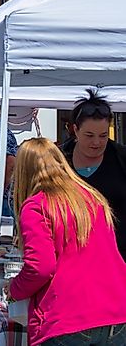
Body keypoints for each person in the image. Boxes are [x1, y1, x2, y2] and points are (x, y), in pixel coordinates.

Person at [8, 138, 126, 346]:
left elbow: (40, 267)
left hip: (67, 316)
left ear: (22, 172)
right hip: (115, 312)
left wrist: (15, 289)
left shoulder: (37, 206)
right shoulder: (92, 198)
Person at [60, 90, 126, 261]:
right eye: (89, 135)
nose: (96, 142)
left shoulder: (122, 159)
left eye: (103, 136)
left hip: (116, 257)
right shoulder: (59, 161)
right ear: (75, 129)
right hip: (70, 257)